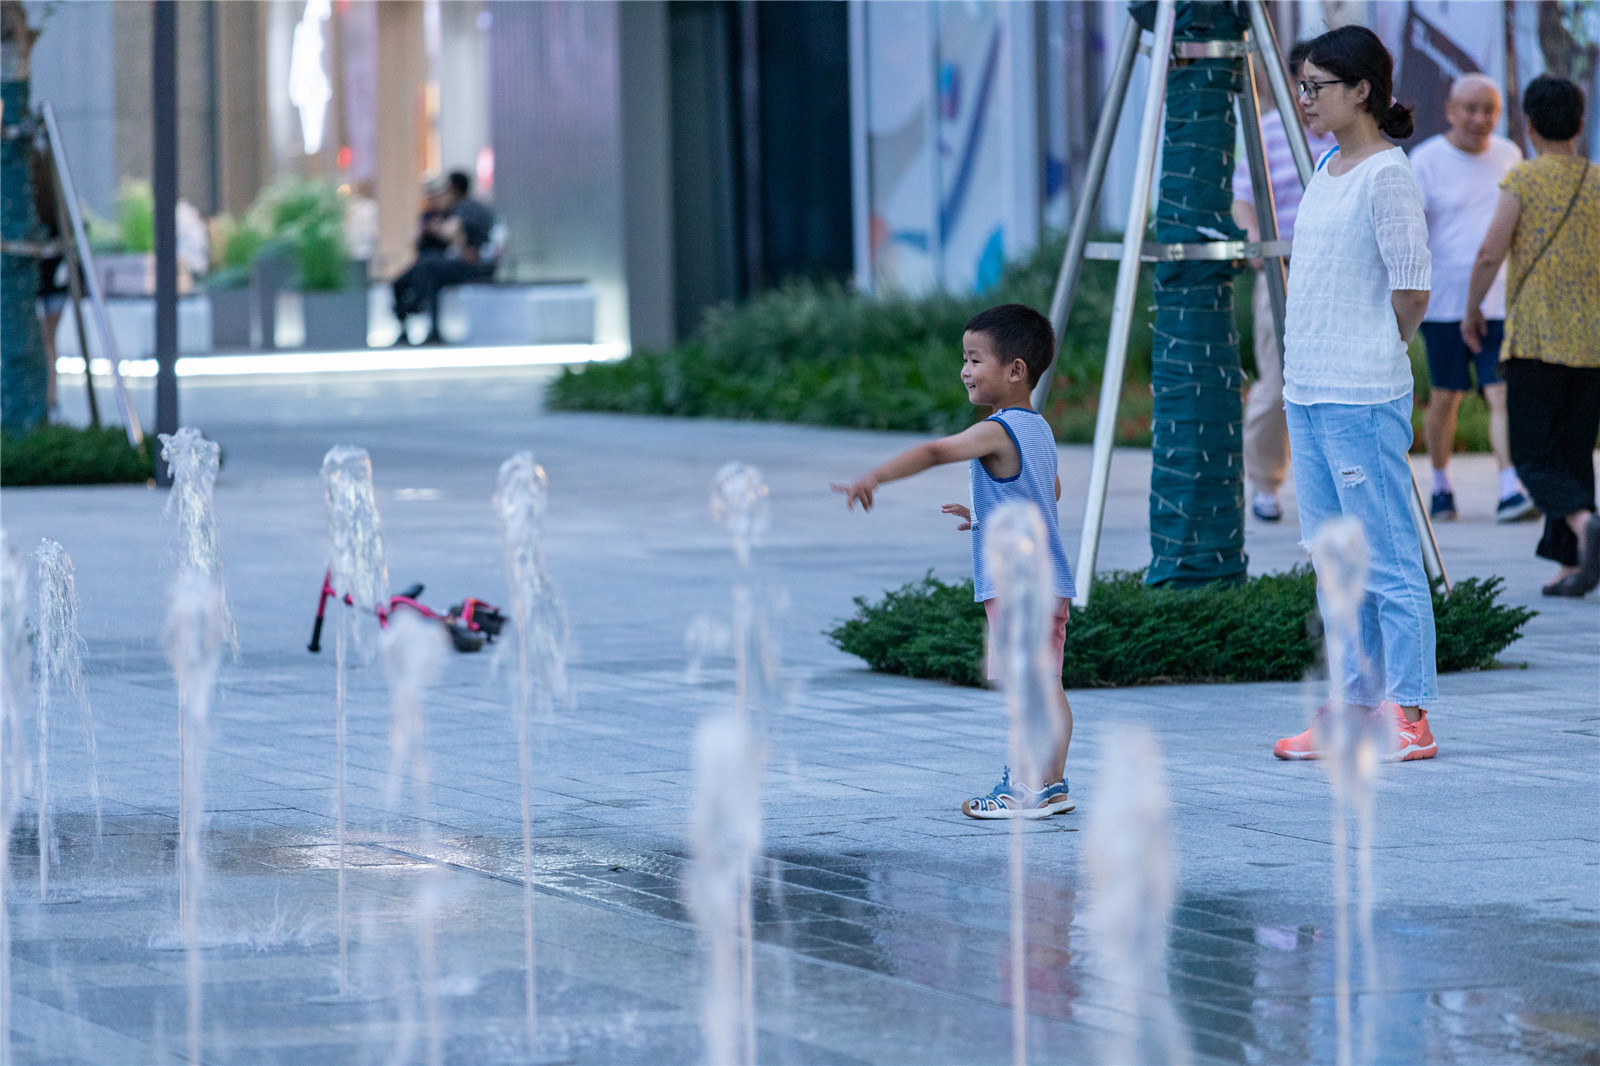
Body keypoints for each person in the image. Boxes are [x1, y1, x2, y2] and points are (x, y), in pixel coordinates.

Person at [832, 304, 1077, 819]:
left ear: (1016, 369)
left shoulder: (997, 429)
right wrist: (989, 514)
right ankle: (1051, 784)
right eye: (964, 359)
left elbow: (935, 451)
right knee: (1047, 682)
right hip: (1051, 580)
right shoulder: (1039, 428)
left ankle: (1022, 787)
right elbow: (1049, 490)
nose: (964, 370)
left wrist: (875, 477)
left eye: (974, 359)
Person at [1271, 25, 1439, 763]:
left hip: (1360, 395)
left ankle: (1410, 714)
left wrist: (1377, 349)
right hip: (1307, 391)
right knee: (1335, 561)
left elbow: (1412, 288)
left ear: (1362, 89)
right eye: (1302, 87)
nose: (1305, 100)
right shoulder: (1328, 166)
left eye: (1317, 87)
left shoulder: (1387, 175)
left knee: (1388, 558)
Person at [1462, 74, 1600, 598]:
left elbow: (1489, 254)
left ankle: (1585, 524)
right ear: (1580, 125)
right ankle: (1572, 565)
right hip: (1591, 344)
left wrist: (1471, 310)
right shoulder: (1598, 182)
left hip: (1537, 340)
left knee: (1532, 457)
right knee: (1574, 454)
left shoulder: (1523, 179)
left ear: (1530, 125)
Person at [1410, 73, 1533, 523]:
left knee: (1500, 392)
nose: (1479, 119)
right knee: (1447, 395)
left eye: (1489, 110)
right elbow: (1413, 232)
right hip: (1444, 303)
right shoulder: (1425, 161)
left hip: (1497, 299)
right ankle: (1442, 486)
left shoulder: (1510, 155)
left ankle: (1510, 488)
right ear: (1450, 110)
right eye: (1470, 109)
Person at [1232, 40, 1338, 523]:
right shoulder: (1268, 131)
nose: (1309, 95)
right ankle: (1265, 482)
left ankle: (1338, 483)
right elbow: (1242, 197)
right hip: (1285, 268)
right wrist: (1255, 240)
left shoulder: (1349, 134)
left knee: (1340, 383)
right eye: (1304, 84)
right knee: (1278, 381)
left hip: (1339, 270)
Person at [391, 170, 497, 345]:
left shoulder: (465, 208)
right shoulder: (448, 211)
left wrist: (436, 228)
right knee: (408, 277)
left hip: (469, 266)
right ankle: (411, 315)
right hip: (449, 263)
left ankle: (416, 311)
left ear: (453, 190)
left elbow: (453, 235)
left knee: (428, 269)